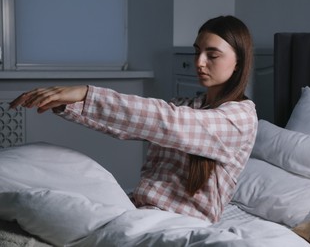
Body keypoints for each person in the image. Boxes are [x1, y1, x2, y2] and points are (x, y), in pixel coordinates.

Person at [9, 15, 258, 223]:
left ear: (238, 63)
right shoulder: (186, 105)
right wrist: (69, 103)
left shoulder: (241, 118)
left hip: (179, 224)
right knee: (43, 167)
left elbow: (166, 122)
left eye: (212, 55)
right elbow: (130, 125)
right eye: (197, 52)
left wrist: (87, 93)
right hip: (138, 210)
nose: (199, 62)